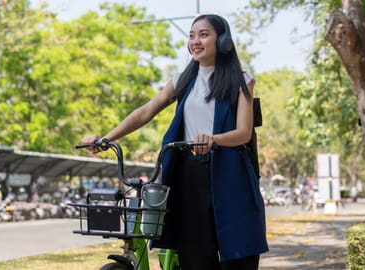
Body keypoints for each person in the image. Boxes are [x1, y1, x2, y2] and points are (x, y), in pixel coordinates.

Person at [82, 14, 268, 269]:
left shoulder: (241, 80)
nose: (195, 41)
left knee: (238, 253)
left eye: (204, 34)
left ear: (222, 41)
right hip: (190, 174)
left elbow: (244, 132)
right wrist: (106, 138)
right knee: (195, 256)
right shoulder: (183, 80)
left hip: (230, 175)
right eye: (192, 36)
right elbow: (146, 112)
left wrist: (214, 140)